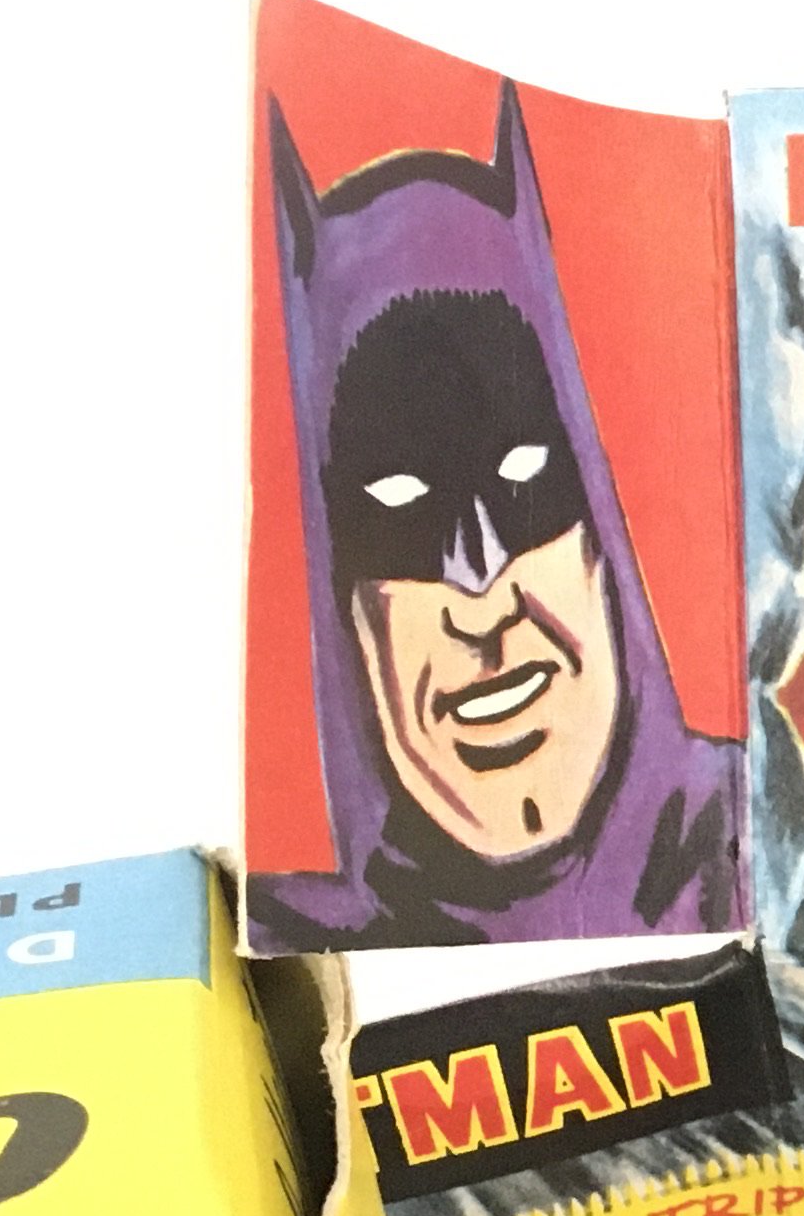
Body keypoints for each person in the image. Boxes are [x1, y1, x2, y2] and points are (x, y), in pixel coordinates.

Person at [251, 87, 741, 950]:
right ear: (340, 599)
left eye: (525, 480)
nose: (480, 591)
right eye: (399, 508)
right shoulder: (292, 948)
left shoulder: (773, 845)